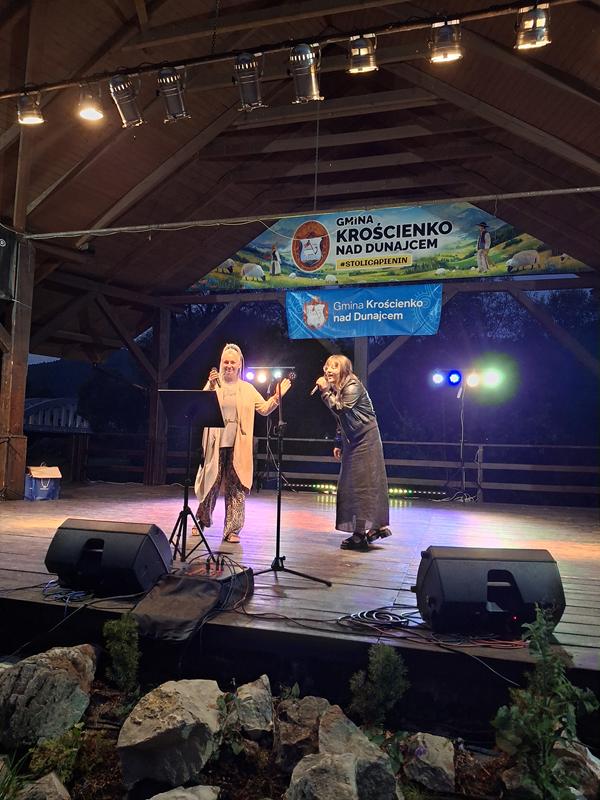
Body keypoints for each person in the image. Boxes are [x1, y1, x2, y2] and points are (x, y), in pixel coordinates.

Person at [194, 343, 291, 543]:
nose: (229, 366)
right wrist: (210, 386)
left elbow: (264, 409)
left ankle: (232, 530)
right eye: (226, 362)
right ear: (221, 363)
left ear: (239, 365)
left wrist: (277, 397)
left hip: (238, 444)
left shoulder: (247, 388)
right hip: (216, 442)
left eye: (233, 362)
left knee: (236, 487)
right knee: (211, 482)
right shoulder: (214, 385)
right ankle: (201, 520)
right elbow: (200, 407)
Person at [315, 354, 391, 551]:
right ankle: (371, 529)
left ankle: (362, 532)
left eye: (334, 367)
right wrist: (338, 441)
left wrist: (325, 392)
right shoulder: (339, 389)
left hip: (366, 439)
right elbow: (342, 419)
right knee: (350, 485)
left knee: (362, 485)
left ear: (344, 370)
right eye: (327, 366)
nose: (328, 370)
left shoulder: (352, 385)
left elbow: (340, 409)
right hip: (353, 440)